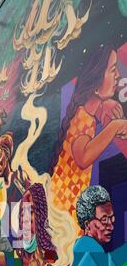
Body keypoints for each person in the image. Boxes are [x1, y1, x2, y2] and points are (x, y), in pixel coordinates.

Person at [50, 46, 127, 225]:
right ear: (96, 83)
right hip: (63, 212)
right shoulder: (81, 117)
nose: (117, 75)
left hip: (64, 211)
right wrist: (115, 126)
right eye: (113, 69)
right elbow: (83, 157)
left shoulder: (84, 112)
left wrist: (102, 104)